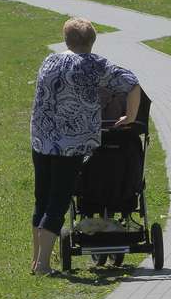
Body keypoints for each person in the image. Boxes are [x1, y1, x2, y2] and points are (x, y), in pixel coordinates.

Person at [31, 17, 141, 275]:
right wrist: (131, 116)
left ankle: (35, 260)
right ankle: (44, 265)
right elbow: (132, 84)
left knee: (42, 199)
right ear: (92, 41)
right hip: (71, 143)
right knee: (58, 201)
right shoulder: (94, 65)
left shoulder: (50, 60)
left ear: (65, 39)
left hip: (42, 138)